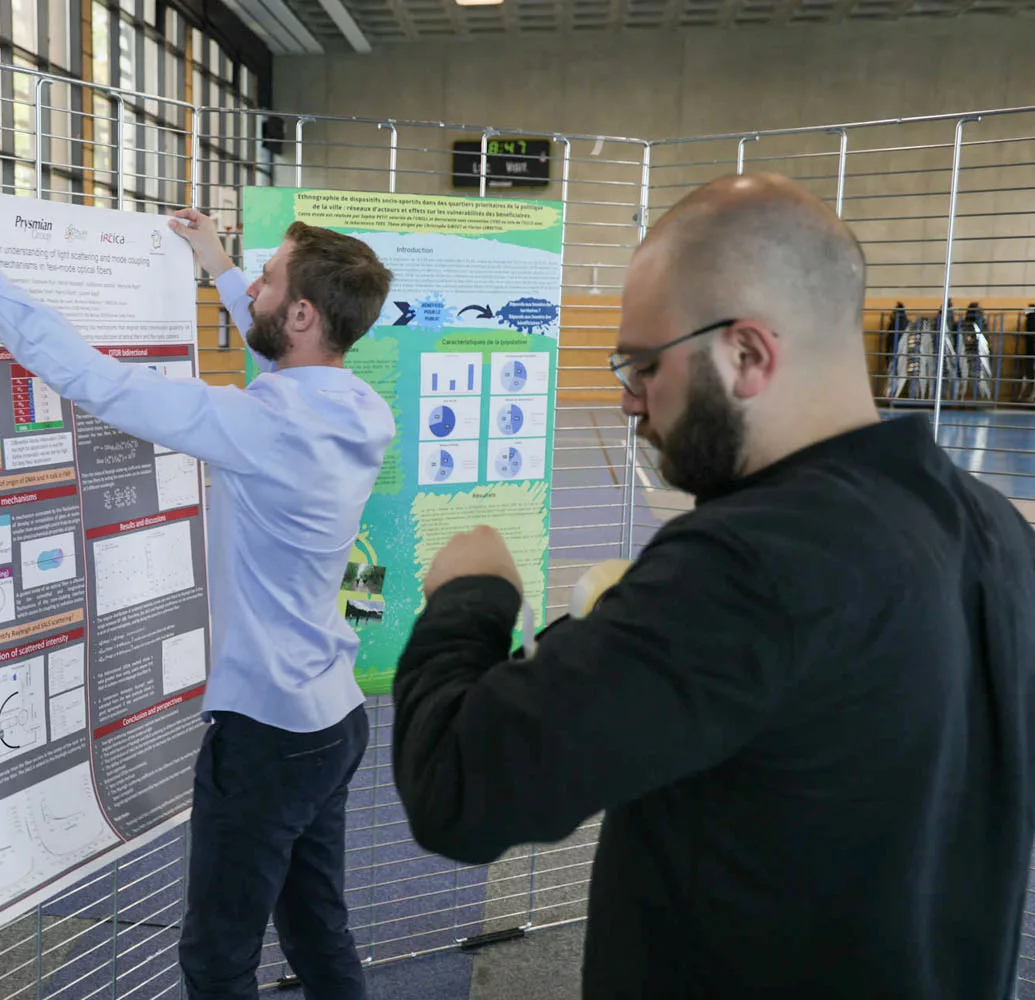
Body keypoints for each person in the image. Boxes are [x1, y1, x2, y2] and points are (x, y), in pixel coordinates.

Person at [389, 172, 1035, 998]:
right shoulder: (992, 527)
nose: (629, 402)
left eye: (643, 366)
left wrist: (469, 596)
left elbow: (457, 790)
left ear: (746, 353)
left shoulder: (747, 564)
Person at [0, 172, 394, 1000]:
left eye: (268, 279)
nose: (254, 287)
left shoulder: (259, 425)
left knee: (217, 958)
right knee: (314, 926)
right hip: (332, 722)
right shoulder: (356, 406)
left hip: (265, 739)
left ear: (303, 314)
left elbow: (94, 380)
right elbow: (283, 348)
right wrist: (223, 270)